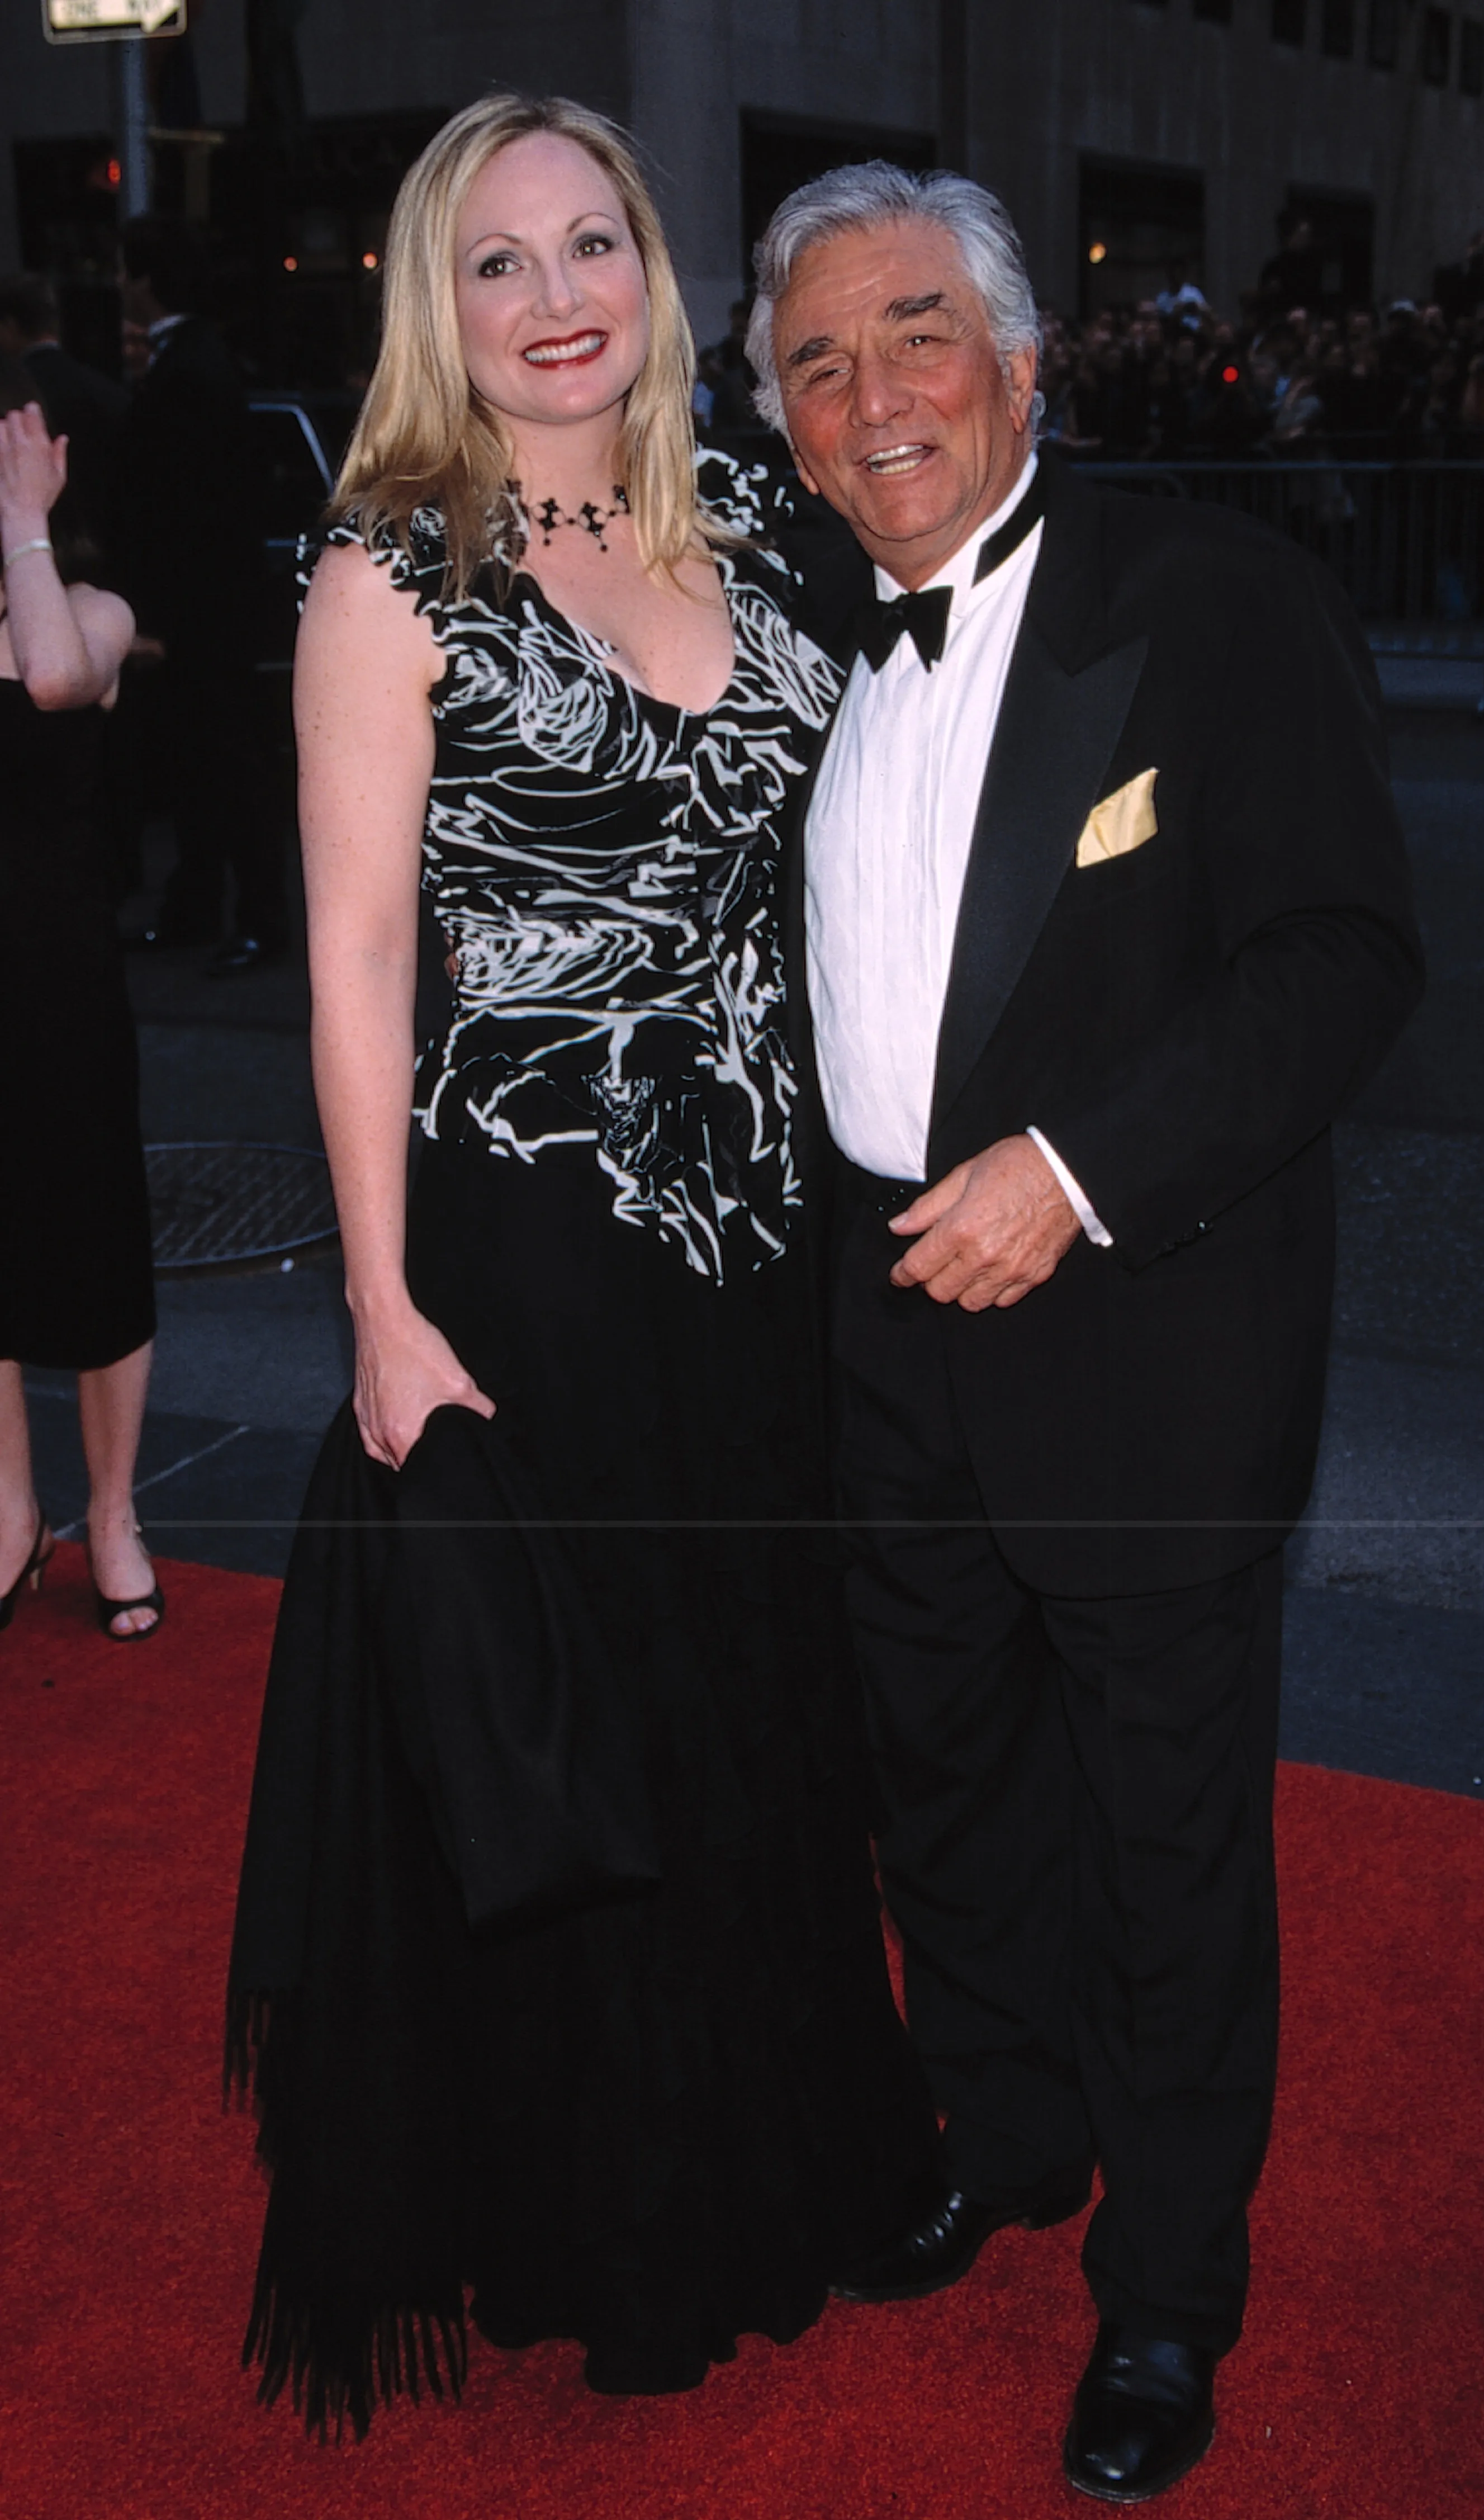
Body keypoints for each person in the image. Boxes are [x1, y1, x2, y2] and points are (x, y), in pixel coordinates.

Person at [225, 94, 936, 2439]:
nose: (556, 301)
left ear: (653, 265)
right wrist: (376, 1304)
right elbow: (347, 962)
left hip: (758, 1256)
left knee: (756, 1696)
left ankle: (790, 2152)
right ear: (443, 298)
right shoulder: (387, 570)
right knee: (592, 1734)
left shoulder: (751, 514)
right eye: (502, 260)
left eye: (593, 242)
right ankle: (615, 2217)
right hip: (527, 1249)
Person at [746, 163, 1423, 2502]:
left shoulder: (1213, 601)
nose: (873, 392)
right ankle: (1007, 2132)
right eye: (818, 363)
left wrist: (1080, 1171)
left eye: (913, 331)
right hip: (882, 1325)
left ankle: (1164, 2286)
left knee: (1160, 1836)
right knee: (939, 1784)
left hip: (1139, 1326)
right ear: (791, 431)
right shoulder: (802, 636)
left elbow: (1337, 951)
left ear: (1022, 362)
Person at [0, 376, 164, 1641]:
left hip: (64, 985)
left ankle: (113, 1514)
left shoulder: (96, 613)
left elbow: (52, 673)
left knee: (99, 1247)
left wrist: (26, 527)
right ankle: (13, 1515)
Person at [116, 215, 285, 973]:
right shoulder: (195, 361)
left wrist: (169, 628)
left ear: (147, 280)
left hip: (204, 617)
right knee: (201, 768)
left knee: (224, 770)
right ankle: (205, 909)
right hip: (211, 611)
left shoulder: (187, 371)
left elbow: (191, 518)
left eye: (127, 272)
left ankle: (255, 918)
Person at [0, 272, 129, 555]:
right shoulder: (104, 389)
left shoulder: (15, 396)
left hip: (39, 543)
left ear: (8, 326)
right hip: (112, 540)